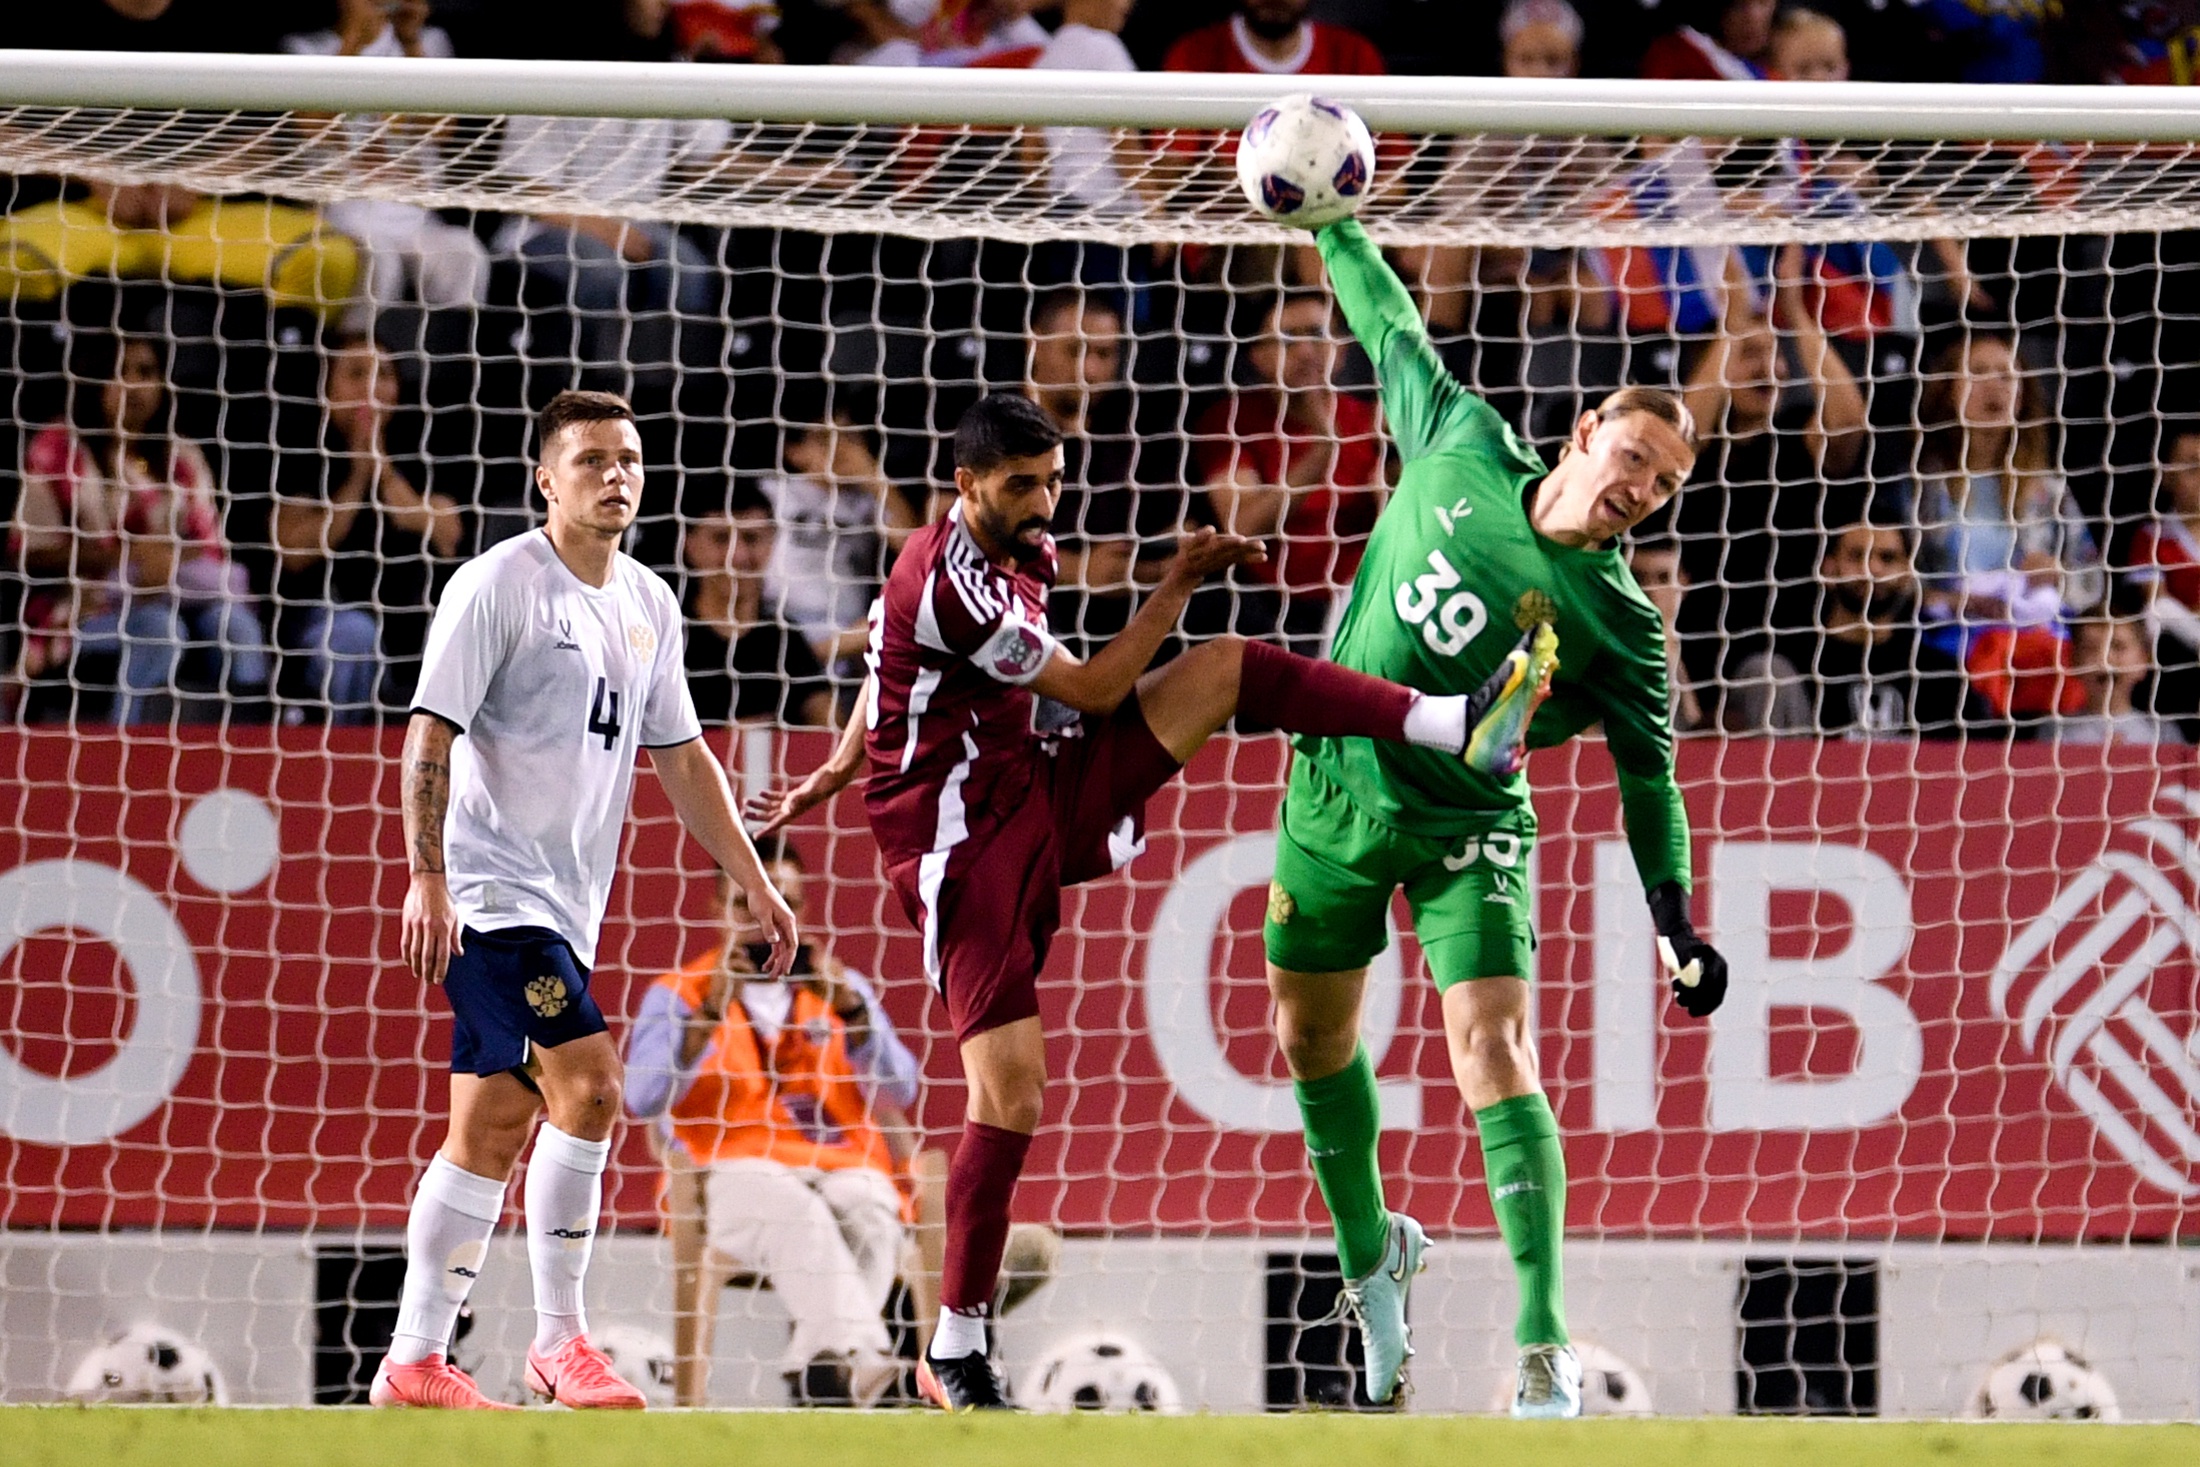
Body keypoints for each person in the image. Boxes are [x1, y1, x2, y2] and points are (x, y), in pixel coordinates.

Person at [748, 391, 1534, 1411]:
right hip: (954, 843)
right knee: (1012, 1093)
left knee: (1224, 668)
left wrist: (837, 762)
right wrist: (1177, 581)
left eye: (1053, 482)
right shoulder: (949, 584)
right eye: (1022, 485)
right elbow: (1094, 689)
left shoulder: (1016, 547)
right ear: (965, 485)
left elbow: (881, 654)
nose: (1044, 502)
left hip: (1030, 782)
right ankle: (955, 1343)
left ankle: (1455, 723)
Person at [1261, 218, 1731, 1420]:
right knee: (1310, 1043)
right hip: (1335, 787)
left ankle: (1542, 1347)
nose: (1639, 491)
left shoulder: (1623, 625)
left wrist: (1674, 921)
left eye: (1663, 485)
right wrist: (1330, 221)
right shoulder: (1459, 437)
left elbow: (1650, 781)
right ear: (1583, 436)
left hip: (1470, 827)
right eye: (1632, 458)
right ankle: (1373, 1262)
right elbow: (1387, 323)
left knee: (1492, 1049)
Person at [379, 389, 799, 1411]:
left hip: (566, 907)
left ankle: (414, 1358)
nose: (615, 476)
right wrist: (427, 875)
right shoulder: (497, 586)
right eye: (591, 460)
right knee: (595, 1087)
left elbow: (684, 757)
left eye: (629, 460)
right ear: (546, 479)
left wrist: (753, 880)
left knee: (489, 1130)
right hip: (490, 896)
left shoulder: (649, 602)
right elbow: (430, 733)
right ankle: (559, 1341)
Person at [625, 839, 920, 1407]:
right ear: (717, 909)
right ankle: (863, 1362)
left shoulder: (841, 987)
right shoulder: (679, 993)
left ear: (801, 909)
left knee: (872, 1209)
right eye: (746, 904)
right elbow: (642, 1099)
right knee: (793, 1205)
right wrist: (705, 1018)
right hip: (727, 1171)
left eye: (782, 904)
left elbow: (899, 1090)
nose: (765, 920)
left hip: (838, 1162)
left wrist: (853, 1014)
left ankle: (827, 1370)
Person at [10, 330, 271, 724]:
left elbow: (211, 548)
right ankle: (127, 748)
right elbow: (30, 553)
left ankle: (245, 748)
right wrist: (126, 558)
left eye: (146, 372)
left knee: (238, 626)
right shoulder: (57, 448)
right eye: (120, 372)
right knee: (159, 629)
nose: (134, 385)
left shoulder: (181, 457)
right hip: (85, 613)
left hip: (183, 598)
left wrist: (166, 560)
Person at [1673, 249, 1868, 709]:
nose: (1768, 367)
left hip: (1792, 653)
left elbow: (1848, 421)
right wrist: (1733, 324)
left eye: (1774, 354)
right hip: (1703, 649)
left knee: (1769, 678)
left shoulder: (1798, 439)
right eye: (1749, 354)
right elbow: (1684, 436)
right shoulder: (1697, 453)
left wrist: (1794, 310)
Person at [271, 332, 464, 722]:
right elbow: (293, 551)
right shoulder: (301, 452)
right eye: (356, 374)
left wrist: (382, 470)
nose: (371, 388)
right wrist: (357, 480)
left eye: (384, 376)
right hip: (323, 617)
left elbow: (447, 534)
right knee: (354, 635)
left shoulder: (420, 447)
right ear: (327, 391)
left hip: (408, 619)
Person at [1195, 291, 1385, 655]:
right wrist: (1323, 448)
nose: (1305, 351)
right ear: (1258, 356)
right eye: (1287, 339)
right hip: (1268, 610)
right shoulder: (1230, 421)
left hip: (1360, 601)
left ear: (1341, 349)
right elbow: (1243, 525)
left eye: (1316, 334)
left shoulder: (1373, 422)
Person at [281, 0, 493, 321]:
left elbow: (442, 129)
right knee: (380, 260)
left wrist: (410, 41)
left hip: (415, 218)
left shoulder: (431, 43)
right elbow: (312, 127)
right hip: (341, 215)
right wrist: (353, 40)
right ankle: (359, 349)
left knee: (464, 252)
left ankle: (447, 351)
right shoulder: (306, 48)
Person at [1734, 517, 1975, 737]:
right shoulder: (1790, 664)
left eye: (1887, 558)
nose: (1872, 570)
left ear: (1907, 576)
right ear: (1828, 570)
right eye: (1857, 556)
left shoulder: (1937, 673)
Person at [680, 486, 836, 726]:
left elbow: (830, 728)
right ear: (689, 545)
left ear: (772, 543)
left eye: (751, 539)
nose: (738, 556)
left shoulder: (785, 638)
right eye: (721, 539)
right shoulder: (669, 634)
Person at [2051, 603, 2186, 747]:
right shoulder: (2055, 731)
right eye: (2091, 648)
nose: (2105, 660)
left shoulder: (2163, 734)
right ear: (2074, 661)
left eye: (2118, 646)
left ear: (2143, 661)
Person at [1624, 536, 1710, 734]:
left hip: (1711, 748)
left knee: (1767, 668)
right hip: (1636, 744)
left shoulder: (1709, 647)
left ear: (1684, 582)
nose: (1650, 590)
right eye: (1638, 579)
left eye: (1663, 578)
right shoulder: (1603, 646)